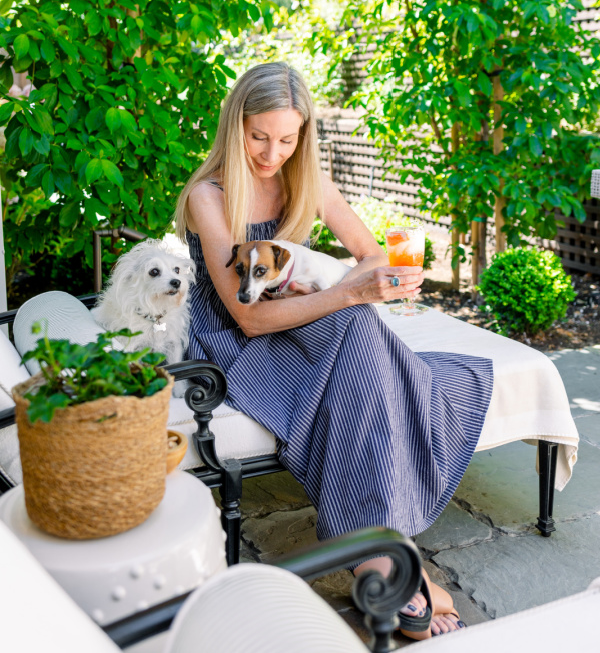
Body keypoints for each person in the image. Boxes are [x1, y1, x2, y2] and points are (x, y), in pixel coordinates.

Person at [175, 62, 493, 639]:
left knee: (360, 331)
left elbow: (372, 253)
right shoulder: (209, 195)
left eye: (287, 139)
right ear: (235, 125)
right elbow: (248, 316)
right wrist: (346, 294)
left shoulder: (307, 182)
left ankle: (376, 549)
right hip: (237, 338)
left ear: (304, 135)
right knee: (361, 331)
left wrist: (348, 286)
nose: (272, 154)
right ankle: (390, 557)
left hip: (297, 321)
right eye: (259, 136)